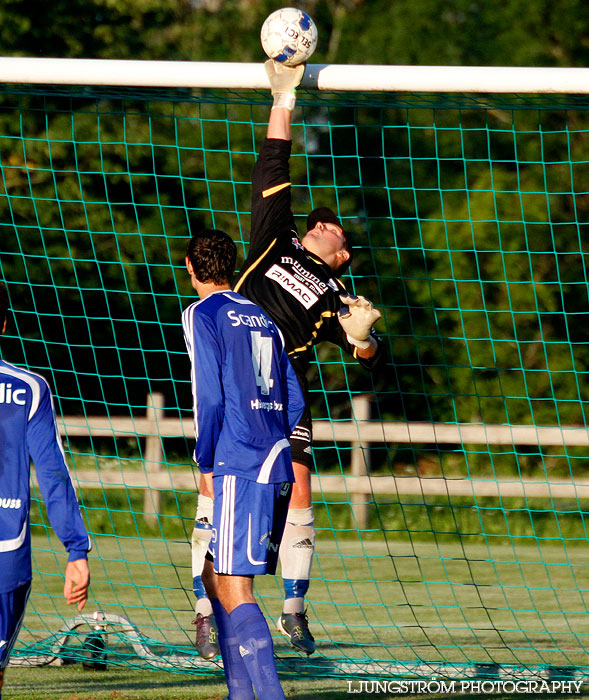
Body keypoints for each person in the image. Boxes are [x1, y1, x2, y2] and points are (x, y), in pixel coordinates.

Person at [191, 60, 386, 658]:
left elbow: (365, 360)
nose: (348, 255)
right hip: (234, 380)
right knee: (213, 492)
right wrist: (283, 96)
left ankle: (294, 612)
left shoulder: (336, 296)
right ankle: (205, 613)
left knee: (301, 492)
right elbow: (274, 166)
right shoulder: (276, 240)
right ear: (320, 228)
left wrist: (364, 337)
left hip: (286, 396)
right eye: (344, 243)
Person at [182, 229, 305, 699]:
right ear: (232, 268)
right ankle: (240, 694)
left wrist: (206, 456)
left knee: (235, 589)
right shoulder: (264, 317)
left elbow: (207, 396)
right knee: (219, 576)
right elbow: (294, 400)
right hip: (276, 461)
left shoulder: (201, 313)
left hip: (239, 459)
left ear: (191, 268)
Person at [0, 282, 91, 698]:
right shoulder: (28, 388)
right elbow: (53, 474)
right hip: (6, 554)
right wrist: (76, 551)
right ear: (3, 323)